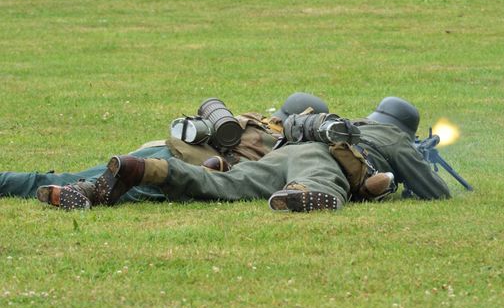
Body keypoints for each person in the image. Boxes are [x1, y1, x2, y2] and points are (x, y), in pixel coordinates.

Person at [42, 96, 450, 212]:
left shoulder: (349, 124)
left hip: (274, 160)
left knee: (224, 185)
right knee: (320, 179)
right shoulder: (393, 138)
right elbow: (435, 193)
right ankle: (303, 195)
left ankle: (142, 169)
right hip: (313, 160)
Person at [0, 92, 329, 205]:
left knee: (78, 176)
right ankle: (71, 192)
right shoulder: (288, 149)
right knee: (109, 188)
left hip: (164, 150)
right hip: (177, 172)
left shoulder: (248, 121)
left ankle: (13, 181)